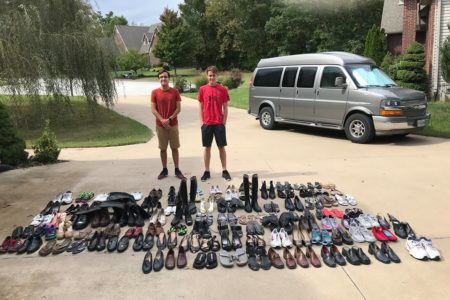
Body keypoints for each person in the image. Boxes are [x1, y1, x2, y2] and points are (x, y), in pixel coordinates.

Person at [197, 66, 231, 182]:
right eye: (210, 75)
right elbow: (200, 107)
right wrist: (201, 122)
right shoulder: (202, 89)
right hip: (207, 123)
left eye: (214, 75)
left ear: (217, 76)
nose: (212, 77)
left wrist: (224, 122)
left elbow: (225, 108)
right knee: (207, 148)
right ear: (207, 76)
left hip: (219, 123)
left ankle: (225, 170)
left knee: (221, 147)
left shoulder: (222, 89)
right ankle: (206, 171)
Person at [151, 69, 185, 180]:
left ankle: (177, 169)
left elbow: (178, 108)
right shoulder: (155, 92)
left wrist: (169, 119)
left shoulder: (175, 92)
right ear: (159, 79)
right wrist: (162, 120)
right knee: (163, 149)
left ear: (168, 78)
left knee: (174, 148)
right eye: (161, 77)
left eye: (165, 77)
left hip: (173, 125)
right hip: (160, 126)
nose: (163, 79)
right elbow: (153, 109)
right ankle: (164, 169)